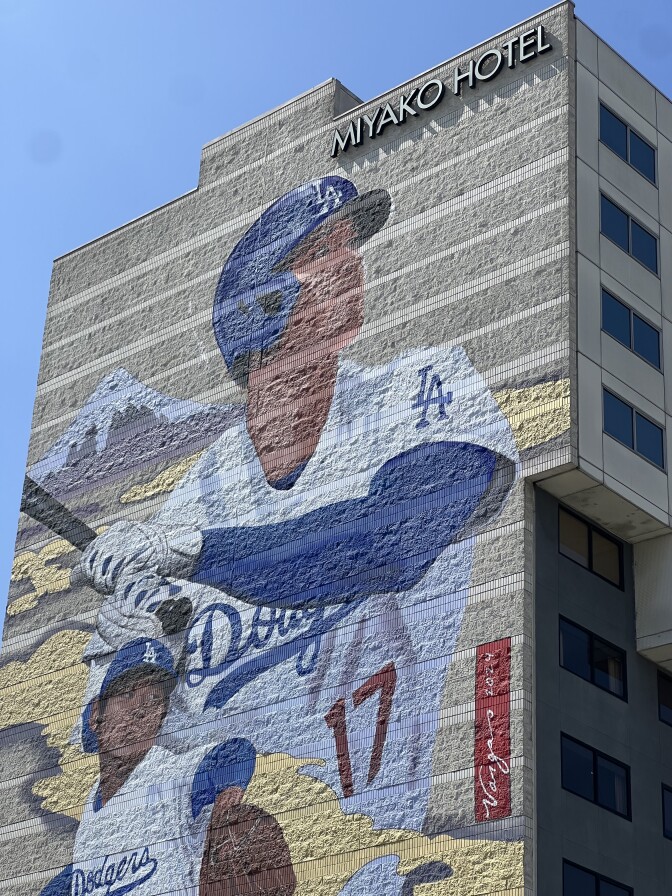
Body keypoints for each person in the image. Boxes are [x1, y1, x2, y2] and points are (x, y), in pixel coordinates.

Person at [77, 176, 518, 889]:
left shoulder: (419, 387)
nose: (350, 265)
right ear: (259, 307)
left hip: (370, 862)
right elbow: (122, 746)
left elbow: (391, 544)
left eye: (349, 246)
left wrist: (199, 553)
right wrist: (129, 649)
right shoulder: (191, 499)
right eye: (319, 254)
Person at [41, 639, 295, 896]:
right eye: (127, 695)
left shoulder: (168, 775)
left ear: (161, 717)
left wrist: (227, 802)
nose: (139, 710)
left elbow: (234, 752)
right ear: (97, 713)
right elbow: (87, 870)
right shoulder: (92, 811)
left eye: (153, 699)